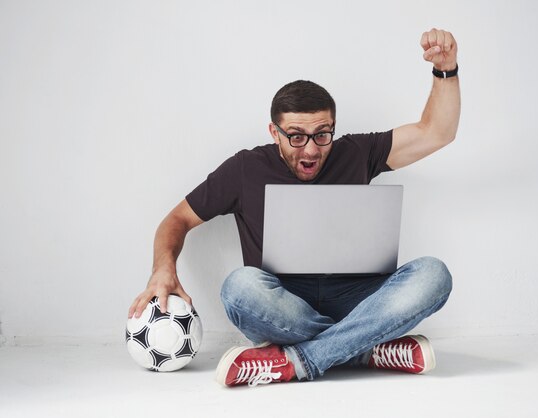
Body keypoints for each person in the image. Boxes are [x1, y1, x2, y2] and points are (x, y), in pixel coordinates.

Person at [128, 28, 460, 387]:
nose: (312, 149)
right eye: (296, 136)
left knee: (433, 275)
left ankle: (302, 360)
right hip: (284, 306)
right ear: (274, 132)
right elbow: (177, 219)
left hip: (359, 301)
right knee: (239, 287)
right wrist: (162, 269)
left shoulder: (358, 152)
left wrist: (447, 70)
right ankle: (364, 347)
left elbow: (436, 132)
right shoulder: (245, 168)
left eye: (322, 133)